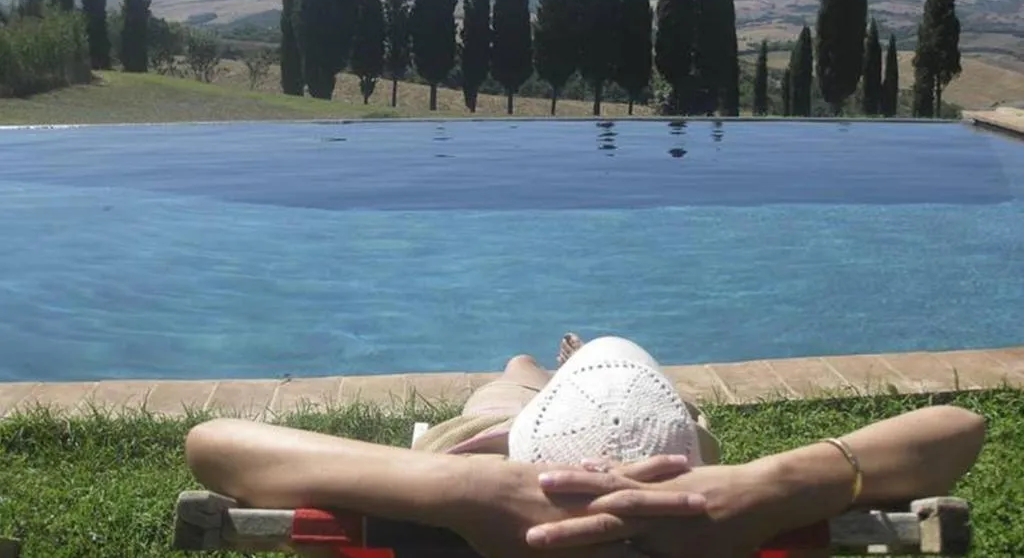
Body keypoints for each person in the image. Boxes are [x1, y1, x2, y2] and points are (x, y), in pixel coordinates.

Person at [185, 334, 986, 558]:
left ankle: (542, 374)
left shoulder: (470, 497)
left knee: (505, 384)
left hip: (495, 448)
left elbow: (217, 446)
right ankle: (576, 366)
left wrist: (472, 486)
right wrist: (769, 485)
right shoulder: (706, 503)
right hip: (659, 456)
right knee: (653, 395)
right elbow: (957, 428)